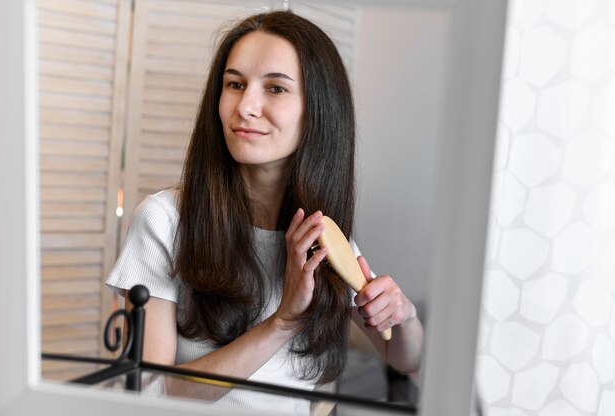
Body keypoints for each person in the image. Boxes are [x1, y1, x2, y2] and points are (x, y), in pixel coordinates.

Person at [106, 9, 423, 414]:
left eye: (275, 89)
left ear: (318, 111)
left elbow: (406, 358)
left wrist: (404, 315)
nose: (246, 106)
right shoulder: (164, 222)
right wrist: (283, 322)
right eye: (234, 84)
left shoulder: (322, 238)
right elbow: (147, 393)